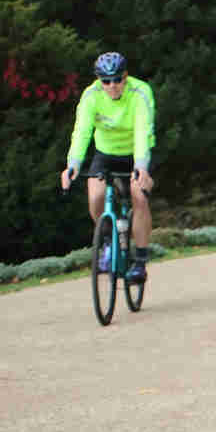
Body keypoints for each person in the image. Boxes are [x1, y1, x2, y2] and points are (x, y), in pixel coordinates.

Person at [60, 52, 156, 283]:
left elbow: (143, 132)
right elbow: (82, 132)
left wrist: (142, 167)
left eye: (117, 80)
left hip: (136, 152)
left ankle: (140, 261)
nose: (112, 86)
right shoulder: (91, 96)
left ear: (126, 77)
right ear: (99, 80)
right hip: (106, 153)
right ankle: (107, 242)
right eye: (106, 81)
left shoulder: (140, 93)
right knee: (96, 197)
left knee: (139, 197)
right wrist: (72, 165)